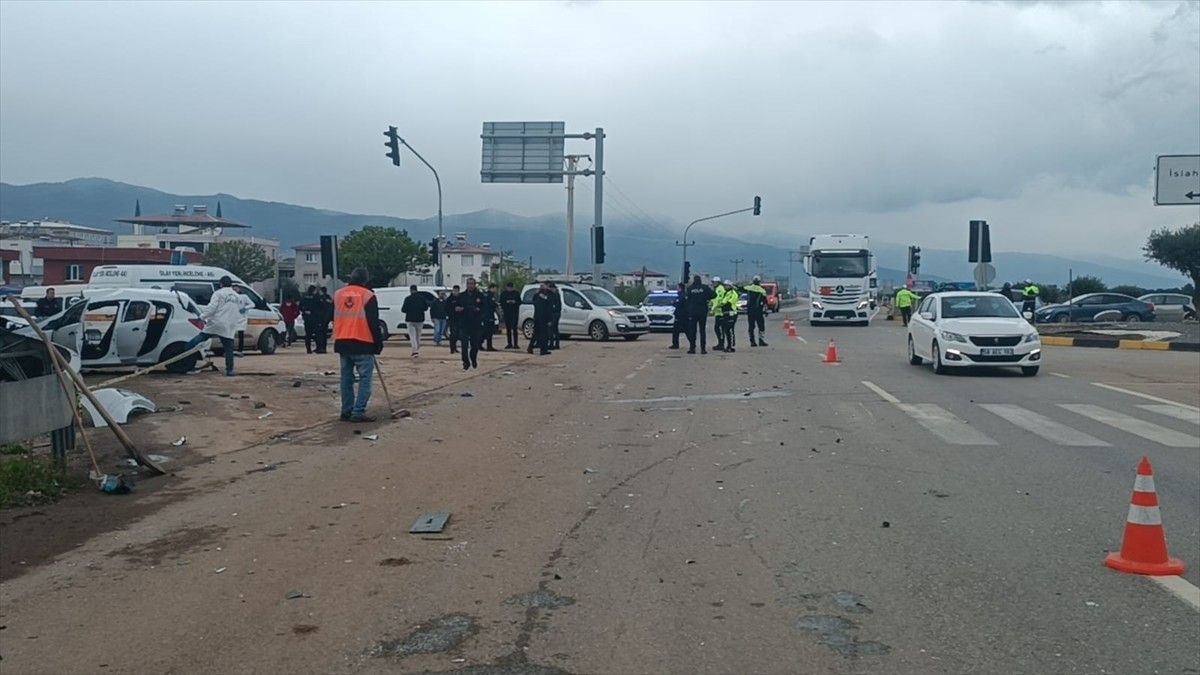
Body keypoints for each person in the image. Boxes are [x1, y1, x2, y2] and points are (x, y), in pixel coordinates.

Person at [333, 267, 384, 423]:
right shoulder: (368, 295)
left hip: (342, 341)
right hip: (363, 342)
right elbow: (373, 322)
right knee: (364, 379)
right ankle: (358, 411)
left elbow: (331, 316)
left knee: (346, 379)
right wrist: (378, 342)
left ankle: (346, 410)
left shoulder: (338, 294)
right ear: (365, 279)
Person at [184, 275, 243, 377]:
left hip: (216, 323)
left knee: (200, 338)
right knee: (228, 349)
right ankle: (230, 370)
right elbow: (240, 311)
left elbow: (212, 307)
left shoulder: (218, 293)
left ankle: (184, 352)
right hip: (229, 326)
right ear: (231, 284)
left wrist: (202, 316)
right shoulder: (237, 296)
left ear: (221, 284)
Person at [455, 278, 491, 370]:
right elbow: (455, 307)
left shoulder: (480, 296)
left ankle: (473, 358)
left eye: (472, 284)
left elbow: (485, 309)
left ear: (475, 285)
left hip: (475, 324)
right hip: (464, 323)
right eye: (468, 284)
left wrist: (479, 311)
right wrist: (458, 309)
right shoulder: (461, 296)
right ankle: (465, 362)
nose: (470, 285)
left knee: (475, 345)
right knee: (464, 345)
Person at [684, 275, 714, 354]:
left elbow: (687, 299)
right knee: (702, 330)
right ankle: (703, 349)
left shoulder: (690, 288)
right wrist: (706, 298)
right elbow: (713, 295)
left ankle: (692, 348)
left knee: (692, 330)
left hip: (693, 311)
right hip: (702, 311)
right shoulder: (705, 288)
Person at [401, 285, 428, 358]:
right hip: (420, 319)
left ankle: (414, 351)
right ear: (417, 289)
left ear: (410, 290)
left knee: (412, 336)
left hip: (410, 319)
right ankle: (417, 349)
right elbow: (426, 308)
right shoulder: (422, 298)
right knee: (418, 336)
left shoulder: (408, 299)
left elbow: (403, 309)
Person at [527, 281, 553, 355]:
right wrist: (549, 319)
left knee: (536, 334)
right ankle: (543, 350)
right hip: (543, 318)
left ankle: (530, 347)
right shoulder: (546, 296)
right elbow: (549, 308)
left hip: (537, 317)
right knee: (543, 335)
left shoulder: (537, 295)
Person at [744, 276, 769, 347]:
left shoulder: (748, 288)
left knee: (751, 326)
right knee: (761, 326)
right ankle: (761, 340)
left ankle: (752, 341)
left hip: (750, 311)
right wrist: (766, 311)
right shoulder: (762, 290)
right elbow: (765, 303)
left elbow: (739, 288)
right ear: (759, 281)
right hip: (759, 311)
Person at [716, 280, 739, 352]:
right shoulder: (726, 293)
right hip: (726, 313)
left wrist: (721, 305)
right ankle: (728, 345)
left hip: (731, 313)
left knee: (730, 329)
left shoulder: (733, 293)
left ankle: (731, 346)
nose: (725, 287)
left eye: (726, 285)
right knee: (726, 330)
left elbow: (728, 303)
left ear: (730, 286)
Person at [499, 282, 522, 349]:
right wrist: (507, 302)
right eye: (509, 287)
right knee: (508, 329)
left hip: (514, 313)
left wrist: (515, 302)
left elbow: (520, 302)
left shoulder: (516, 293)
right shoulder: (504, 294)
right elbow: (501, 302)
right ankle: (509, 343)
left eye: (511, 287)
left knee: (514, 328)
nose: (510, 289)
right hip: (507, 313)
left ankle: (516, 344)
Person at [232, 285, 252, 357]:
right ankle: (229, 351)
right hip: (232, 318)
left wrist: (245, 308)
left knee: (241, 335)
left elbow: (252, 304)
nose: (235, 290)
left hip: (241, 319)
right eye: (233, 289)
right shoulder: (230, 297)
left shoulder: (244, 297)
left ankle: (240, 351)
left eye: (236, 289)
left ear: (239, 289)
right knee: (230, 336)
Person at [300, 285, 320, 353]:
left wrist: (304, 311)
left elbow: (300, 306)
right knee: (317, 334)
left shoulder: (304, 297)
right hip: (314, 318)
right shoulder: (315, 297)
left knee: (308, 334)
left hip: (306, 318)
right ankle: (318, 348)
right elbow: (319, 306)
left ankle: (308, 349)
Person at [669, 282, 688, 349]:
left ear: (680, 288)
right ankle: (676, 344)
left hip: (680, 315)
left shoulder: (682, 295)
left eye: (677, 287)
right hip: (682, 315)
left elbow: (676, 303)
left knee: (678, 330)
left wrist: (674, 303)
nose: (677, 289)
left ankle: (676, 344)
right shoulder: (683, 295)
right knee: (679, 330)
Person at [710, 277, 727, 351]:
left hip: (720, 312)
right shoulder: (717, 289)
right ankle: (720, 343)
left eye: (713, 282)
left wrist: (712, 310)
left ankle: (721, 343)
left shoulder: (720, 289)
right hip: (718, 312)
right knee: (718, 328)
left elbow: (719, 300)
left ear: (717, 282)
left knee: (719, 329)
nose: (712, 283)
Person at [315, 287, 333, 353]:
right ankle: (323, 348)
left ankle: (320, 348)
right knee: (324, 334)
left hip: (320, 318)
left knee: (319, 334)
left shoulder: (321, 298)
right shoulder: (329, 298)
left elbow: (318, 308)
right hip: (326, 318)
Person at [445, 285, 462, 354]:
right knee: (453, 334)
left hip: (459, 319)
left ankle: (455, 348)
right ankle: (452, 348)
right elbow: (446, 309)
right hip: (452, 319)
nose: (455, 292)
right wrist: (453, 311)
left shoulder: (461, 298)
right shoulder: (449, 299)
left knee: (458, 334)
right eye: (454, 291)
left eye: (457, 291)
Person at [483, 283, 499, 351]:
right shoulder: (489, 296)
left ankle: (489, 345)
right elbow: (490, 304)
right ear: (491, 288)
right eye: (495, 288)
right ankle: (488, 346)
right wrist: (496, 304)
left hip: (489, 315)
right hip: (488, 316)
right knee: (488, 332)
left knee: (489, 332)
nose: (496, 290)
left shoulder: (489, 295)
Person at [547, 282, 562, 350]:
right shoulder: (557, 294)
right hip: (557, 313)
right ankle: (556, 344)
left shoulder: (554, 295)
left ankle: (552, 344)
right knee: (555, 329)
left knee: (551, 329)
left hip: (554, 313)